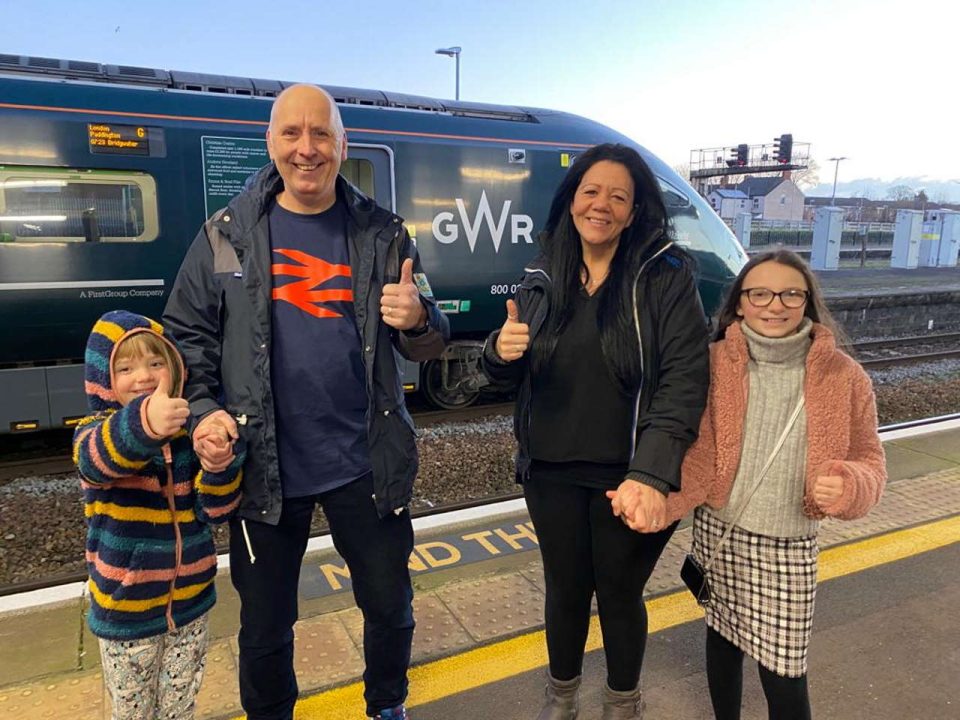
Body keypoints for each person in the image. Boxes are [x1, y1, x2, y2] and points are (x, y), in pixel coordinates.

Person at [162, 83, 449, 720]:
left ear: (343, 145)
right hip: (262, 467)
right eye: (292, 133)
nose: (307, 148)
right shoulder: (225, 235)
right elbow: (187, 339)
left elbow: (430, 344)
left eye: (321, 134)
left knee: (388, 603)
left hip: (364, 462)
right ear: (271, 142)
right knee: (265, 625)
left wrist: (418, 319)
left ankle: (386, 705)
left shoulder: (384, 233)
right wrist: (206, 411)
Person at [481, 143, 710, 719]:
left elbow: (685, 381)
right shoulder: (541, 275)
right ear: (572, 201)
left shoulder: (665, 276)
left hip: (629, 475)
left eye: (617, 196)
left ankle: (621, 703)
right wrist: (496, 352)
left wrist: (653, 475)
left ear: (634, 213)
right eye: (590, 191)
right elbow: (504, 368)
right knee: (563, 589)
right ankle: (561, 699)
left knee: (617, 592)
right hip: (551, 468)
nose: (600, 205)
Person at [660, 250, 887, 720]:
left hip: (789, 546)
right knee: (721, 636)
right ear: (740, 303)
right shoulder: (712, 363)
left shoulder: (844, 376)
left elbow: (870, 460)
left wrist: (849, 486)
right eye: (759, 293)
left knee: (784, 673)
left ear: (807, 302)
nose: (775, 304)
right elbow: (690, 447)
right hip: (720, 532)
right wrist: (656, 501)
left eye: (790, 294)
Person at [73, 310, 244, 720]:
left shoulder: (188, 438)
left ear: (174, 367)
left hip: (191, 607)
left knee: (179, 707)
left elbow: (215, 510)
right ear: (103, 380)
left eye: (155, 362)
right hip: (126, 614)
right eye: (125, 367)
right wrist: (146, 425)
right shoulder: (92, 432)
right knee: (133, 713)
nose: (144, 376)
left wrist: (220, 464)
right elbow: (98, 460)